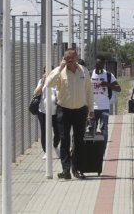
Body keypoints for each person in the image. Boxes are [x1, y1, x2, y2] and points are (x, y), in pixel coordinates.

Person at [46, 49, 94, 180]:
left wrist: (91, 109)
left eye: (72, 57)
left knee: (78, 142)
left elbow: (89, 91)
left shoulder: (84, 71)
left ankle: (77, 169)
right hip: (64, 110)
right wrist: (59, 68)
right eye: (67, 58)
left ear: (77, 58)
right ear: (64, 59)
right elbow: (48, 84)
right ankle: (65, 170)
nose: (70, 60)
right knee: (65, 140)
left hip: (80, 110)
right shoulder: (59, 71)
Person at [91, 55, 121, 152]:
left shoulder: (108, 75)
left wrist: (107, 84)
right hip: (92, 107)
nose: (98, 66)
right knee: (92, 129)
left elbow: (118, 88)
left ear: (104, 65)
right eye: (97, 64)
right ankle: (93, 150)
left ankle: (102, 150)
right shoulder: (90, 74)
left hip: (104, 106)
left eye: (100, 64)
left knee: (104, 128)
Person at [33, 67, 60, 159]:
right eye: (45, 72)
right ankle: (46, 151)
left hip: (55, 111)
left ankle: (55, 146)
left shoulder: (57, 81)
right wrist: (43, 83)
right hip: (43, 111)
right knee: (44, 131)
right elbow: (35, 93)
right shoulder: (41, 81)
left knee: (58, 131)